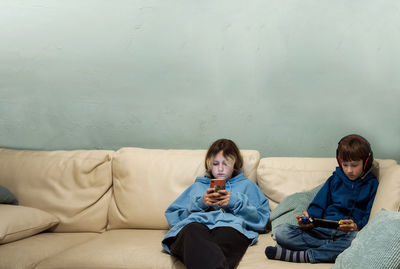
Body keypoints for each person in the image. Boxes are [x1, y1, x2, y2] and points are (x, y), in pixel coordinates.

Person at [265, 134, 379, 263]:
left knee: (357, 241)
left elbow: (370, 216)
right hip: (321, 231)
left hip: (347, 234)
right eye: (345, 164)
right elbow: (318, 205)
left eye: (354, 165)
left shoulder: (372, 185)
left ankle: (307, 256)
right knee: (282, 232)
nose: (348, 170)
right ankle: (330, 249)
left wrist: (357, 226)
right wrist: (308, 221)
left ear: (366, 163)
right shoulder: (334, 180)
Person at [162, 139, 270, 269]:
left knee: (229, 233)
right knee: (193, 229)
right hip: (195, 229)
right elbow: (173, 216)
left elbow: (262, 220)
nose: (220, 169)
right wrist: (201, 203)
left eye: (225, 164)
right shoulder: (198, 186)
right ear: (209, 165)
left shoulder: (247, 186)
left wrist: (235, 203)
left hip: (229, 229)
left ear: (236, 164)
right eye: (215, 163)